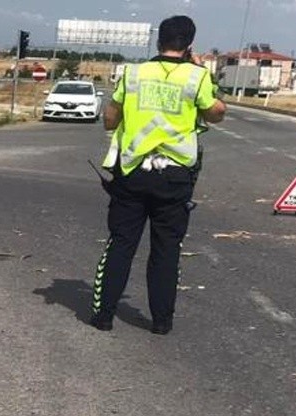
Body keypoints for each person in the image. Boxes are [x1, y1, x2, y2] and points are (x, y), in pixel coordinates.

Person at [89, 15, 226, 335]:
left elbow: (110, 119)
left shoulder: (133, 73)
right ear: (189, 45)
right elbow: (216, 113)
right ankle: (162, 321)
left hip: (133, 171)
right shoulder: (197, 77)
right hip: (175, 177)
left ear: (158, 41)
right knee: (166, 249)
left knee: (121, 244)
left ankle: (104, 316)